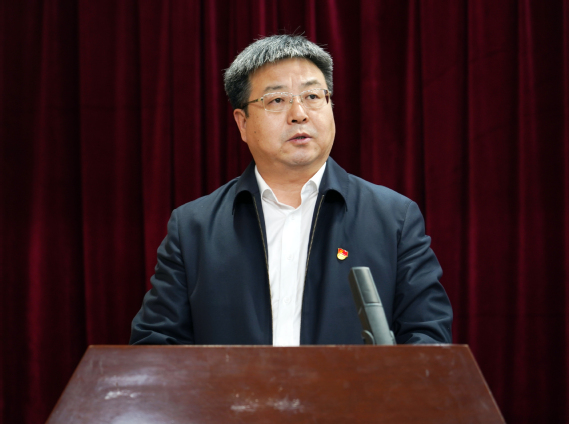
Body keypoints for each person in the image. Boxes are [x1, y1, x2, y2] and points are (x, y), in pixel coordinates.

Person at [130, 34, 452, 346]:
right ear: (242, 123)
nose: (299, 114)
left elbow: (428, 340)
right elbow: (156, 347)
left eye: (313, 96)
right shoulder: (193, 229)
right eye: (277, 100)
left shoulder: (394, 219)